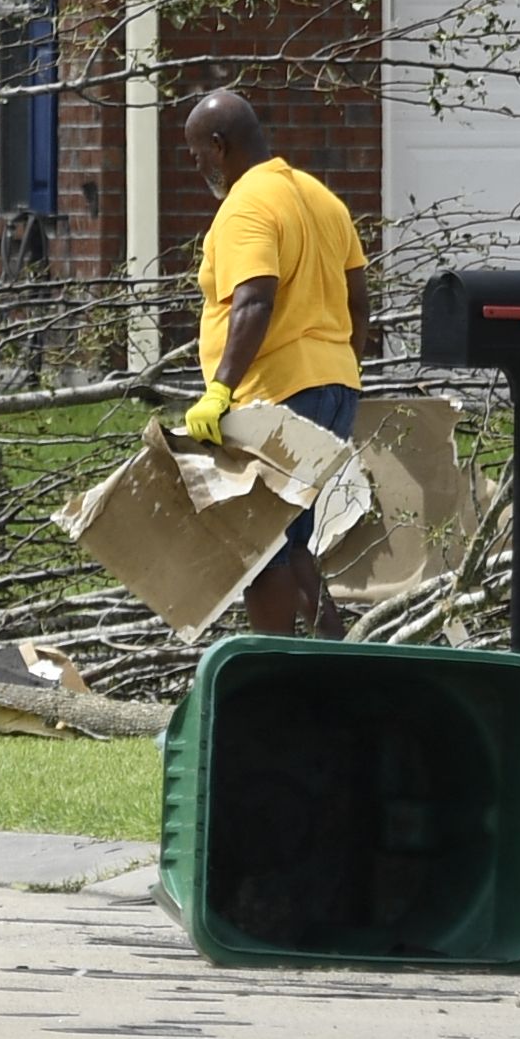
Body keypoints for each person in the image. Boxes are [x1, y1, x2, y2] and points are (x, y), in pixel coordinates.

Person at [180, 85, 364, 634]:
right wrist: (340, 369)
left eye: (198, 157)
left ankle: (277, 674)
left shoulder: (247, 206)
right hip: (334, 391)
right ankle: (330, 661)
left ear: (219, 144)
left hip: (277, 395)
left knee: (258, 545)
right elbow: (359, 300)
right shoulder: (320, 198)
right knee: (289, 537)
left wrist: (220, 389)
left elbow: (255, 298)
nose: (199, 169)